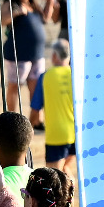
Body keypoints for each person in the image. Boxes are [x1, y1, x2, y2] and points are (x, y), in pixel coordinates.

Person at [0, 0, 49, 121]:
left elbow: (45, 19)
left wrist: (49, 3)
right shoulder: (11, 4)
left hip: (37, 55)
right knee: (14, 87)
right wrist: (15, 13)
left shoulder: (34, 5)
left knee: (36, 88)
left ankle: (35, 121)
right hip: (17, 55)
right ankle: (11, 120)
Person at [32, 40, 75, 174]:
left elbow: (35, 109)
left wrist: (32, 125)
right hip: (76, 134)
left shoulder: (45, 77)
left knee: (53, 178)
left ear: (55, 56)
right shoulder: (76, 75)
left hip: (56, 136)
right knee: (65, 171)